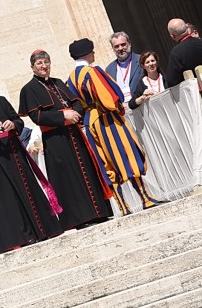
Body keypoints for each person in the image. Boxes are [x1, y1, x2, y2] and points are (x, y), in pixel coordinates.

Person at [66, 39, 165, 215]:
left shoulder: (71, 77)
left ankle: (123, 206)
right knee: (126, 153)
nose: (94, 54)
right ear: (86, 53)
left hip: (90, 121)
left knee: (106, 162)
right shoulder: (92, 72)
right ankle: (145, 198)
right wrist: (117, 108)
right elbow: (107, 97)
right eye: (92, 51)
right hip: (106, 118)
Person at [0, 75, 62, 251]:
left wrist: (13, 124)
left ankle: (42, 230)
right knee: (7, 199)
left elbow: (19, 121)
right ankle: (21, 238)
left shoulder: (0, 101)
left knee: (28, 190)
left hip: (14, 154)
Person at [18, 50, 113, 231]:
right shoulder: (29, 90)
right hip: (56, 140)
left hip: (74, 135)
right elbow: (37, 116)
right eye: (39, 63)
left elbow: (76, 102)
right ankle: (80, 218)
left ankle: (99, 212)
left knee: (86, 171)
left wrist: (75, 113)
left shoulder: (58, 83)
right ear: (32, 67)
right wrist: (64, 116)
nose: (44, 66)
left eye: (46, 62)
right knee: (69, 178)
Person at [165, 18, 202, 87]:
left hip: (195, 93)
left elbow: (171, 81)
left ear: (172, 36)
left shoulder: (176, 53)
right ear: (187, 28)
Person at [105, 32, 141, 103]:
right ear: (113, 48)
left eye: (123, 44)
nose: (120, 48)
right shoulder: (109, 69)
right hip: (124, 110)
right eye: (116, 46)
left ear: (129, 44)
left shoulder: (141, 61)